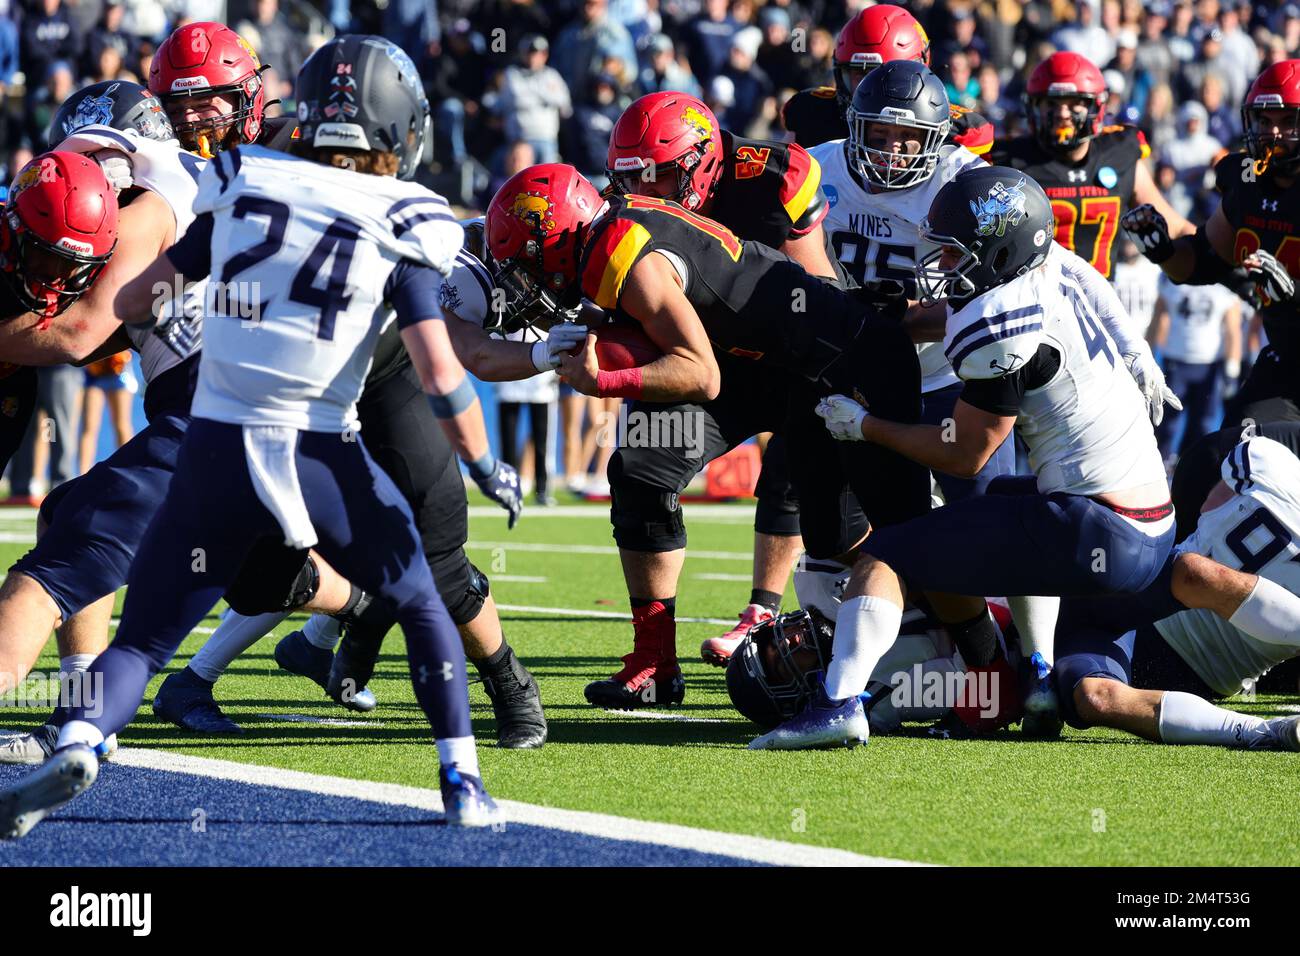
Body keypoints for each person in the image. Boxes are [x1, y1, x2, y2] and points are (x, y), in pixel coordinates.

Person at [0, 35, 504, 839]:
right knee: (394, 594)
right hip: (312, 433)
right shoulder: (397, 211)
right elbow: (442, 366)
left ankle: (84, 730)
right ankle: (461, 776)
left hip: (214, 427)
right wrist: (485, 460)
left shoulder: (214, 187)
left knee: (113, 601)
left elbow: (124, 307)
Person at [750, 167, 1176, 750]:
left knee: (888, 552)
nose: (942, 265)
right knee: (1008, 502)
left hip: (1096, 527)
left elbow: (963, 454)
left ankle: (837, 705)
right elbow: (1094, 287)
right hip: (1147, 517)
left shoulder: (1002, 326)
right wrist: (1139, 355)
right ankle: (1041, 675)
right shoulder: (1053, 264)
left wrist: (866, 426)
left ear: (1000, 249)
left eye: (955, 253)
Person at [485, 162, 931, 711]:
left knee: (861, 540)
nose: (525, 273)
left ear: (560, 238)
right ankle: (654, 664)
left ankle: (976, 653)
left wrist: (603, 378)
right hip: (756, 366)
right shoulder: (601, 233)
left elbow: (699, 374)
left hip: (831, 366)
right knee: (642, 466)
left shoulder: (625, 253)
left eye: (529, 257)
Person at [599, 90, 841, 693]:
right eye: (636, 180)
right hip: (711, 368)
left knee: (807, 476)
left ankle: (778, 618)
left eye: (661, 176)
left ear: (704, 159)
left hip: (797, 361)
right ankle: (653, 660)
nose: (648, 193)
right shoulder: (631, 210)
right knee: (640, 467)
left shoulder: (773, 176)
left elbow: (819, 295)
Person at [1123, 60, 1300, 428]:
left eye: (1287, 121)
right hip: (1287, 360)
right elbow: (1203, 263)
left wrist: (1293, 294)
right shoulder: (1247, 179)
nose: (1274, 134)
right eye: (1265, 121)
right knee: (1211, 466)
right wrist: (1164, 250)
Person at [989, 50, 1190, 280]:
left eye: (1075, 103)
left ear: (1096, 107)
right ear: (1034, 106)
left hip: (1097, 307)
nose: (1063, 114)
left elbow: (1174, 227)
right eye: (1051, 103)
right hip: (1032, 307)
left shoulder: (1119, 152)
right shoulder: (1008, 162)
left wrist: (1218, 251)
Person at [781, 5, 993, 157]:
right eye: (858, 74)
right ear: (840, 73)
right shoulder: (811, 113)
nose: (870, 89)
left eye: (884, 77)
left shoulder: (956, 131)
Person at [1149, 275, 1242, 465]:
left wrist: (1232, 368)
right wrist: (1146, 355)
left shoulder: (1223, 285)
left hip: (1209, 364)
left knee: (1204, 424)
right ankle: (1161, 466)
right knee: (1167, 422)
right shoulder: (1171, 278)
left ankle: (1196, 469)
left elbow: (1233, 328)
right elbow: (1158, 318)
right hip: (1175, 361)